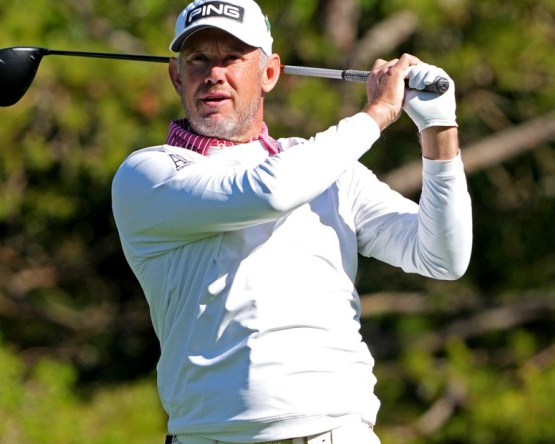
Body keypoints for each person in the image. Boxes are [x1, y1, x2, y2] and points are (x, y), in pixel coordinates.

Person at [111, 0, 472, 442]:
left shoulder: (326, 167)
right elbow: (270, 192)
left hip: (338, 431)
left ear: (270, 73)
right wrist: (376, 114)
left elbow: (442, 256)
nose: (214, 73)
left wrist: (438, 129)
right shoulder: (150, 173)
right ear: (175, 75)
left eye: (232, 58)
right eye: (198, 59)